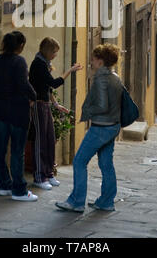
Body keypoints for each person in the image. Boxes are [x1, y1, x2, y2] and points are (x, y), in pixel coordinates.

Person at [55, 43, 123, 212]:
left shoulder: (100, 79)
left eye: (93, 59)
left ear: (100, 61)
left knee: (79, 161)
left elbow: (102, 106)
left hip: (101, 127)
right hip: (113, 126)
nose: (91, 62)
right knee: (106, 164)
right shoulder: (115, 77)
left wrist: (86, 111)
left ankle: (76, 202)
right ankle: (106, 201)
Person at [0, 31, 38, 202]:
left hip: (1, 110)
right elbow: (23, 84)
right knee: (17, 151)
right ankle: (19, 190)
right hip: (18, 111)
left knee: (0, 148)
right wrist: (33, 96)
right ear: (20, 46)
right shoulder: (19, 61)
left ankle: (4, 184)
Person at [29, 37, 82, 190]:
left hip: (45, 105)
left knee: (49, 139)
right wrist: (70, 71)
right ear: (47, 51)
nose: (55, 55)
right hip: (38, 105)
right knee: (40, 141)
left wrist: (56, 104)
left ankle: (48, 173)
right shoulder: (38, 64)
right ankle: (39, 176)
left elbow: (48, 88)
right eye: (54, 52)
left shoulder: (44, 63)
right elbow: (53, 83)